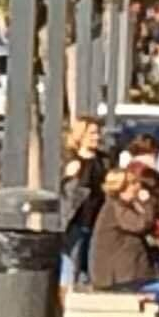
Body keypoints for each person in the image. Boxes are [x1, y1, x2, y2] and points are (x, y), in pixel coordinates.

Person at [60, 118, 110, 286]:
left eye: (97, 133)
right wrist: (70, 176)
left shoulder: (104, 160)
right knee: (72, 264)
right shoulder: (71, 161)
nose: (96, 137)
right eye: (91, 133)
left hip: (99, 220)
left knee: (91, 265)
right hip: (77, 220)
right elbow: (65, 194)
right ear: (80, 135)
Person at [89, 169, 156, 290]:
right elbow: (140, 225)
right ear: (123, 187)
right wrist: (147, 203)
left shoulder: (121, 205)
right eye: (134, 183)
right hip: (119, 276)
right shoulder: (117, 207)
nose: (139, 187)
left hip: (124, 273)